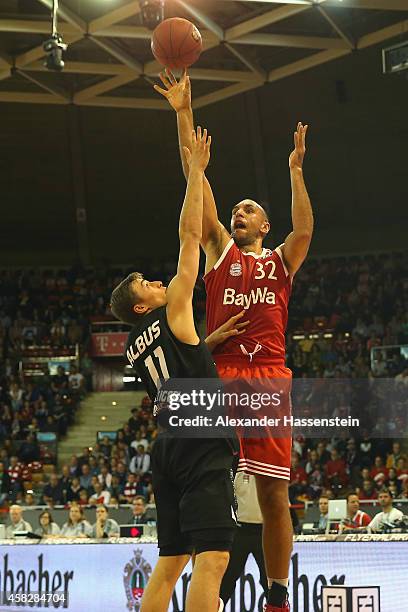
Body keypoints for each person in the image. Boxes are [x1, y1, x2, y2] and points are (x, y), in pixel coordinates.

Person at [155, 69, 313, 612]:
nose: (237, 214)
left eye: (248, 209)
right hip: (221, 378)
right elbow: (195, 183)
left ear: (265, 225)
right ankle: (208, 590)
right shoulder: (220, 252)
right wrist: (183, 114)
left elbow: (306, 232)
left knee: (274, 494)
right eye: (236, 210)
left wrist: (294, 173)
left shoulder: (279, 260)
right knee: (211, 490)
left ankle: (277, 595)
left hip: (268, 378)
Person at [110, 127, 238, 612]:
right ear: (141, 307)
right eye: (146, 283)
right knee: (213, 560)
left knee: (168, 565)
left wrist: (206, 345)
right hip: (202, 440)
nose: (157, 281)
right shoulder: (174, 309)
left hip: (168, 447)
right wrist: (197, 171)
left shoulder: (133, 347)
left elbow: (175, 367)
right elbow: (190, 234)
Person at [220, 472, 268, 607]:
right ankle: (216, 608)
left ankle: (276, 608)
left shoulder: (267, 466)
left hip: (264, 531)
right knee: (227, 579)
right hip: (239, 530)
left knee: (269, 580)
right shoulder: (234, 466)